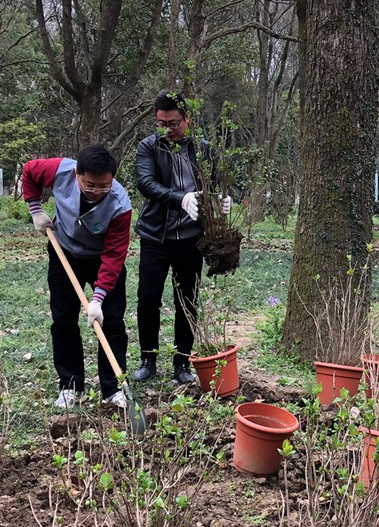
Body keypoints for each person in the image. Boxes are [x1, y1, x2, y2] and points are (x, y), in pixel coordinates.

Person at [22, 145, 133, 409]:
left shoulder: (120, 205)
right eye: (90, 185)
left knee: (112, 323)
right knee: (63, 319)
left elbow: (114, 254)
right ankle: (70, 386)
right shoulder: (60, 170)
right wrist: (35, 209)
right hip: (64, 251)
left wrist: (98, 298)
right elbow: (29, 171)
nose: (96, 192)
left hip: (100, 259)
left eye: (104, 186)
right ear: (77, 175)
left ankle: (113, 388)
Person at [131, 90, 228, 385]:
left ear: (188, 118)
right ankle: (148, 358)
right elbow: (145, 183)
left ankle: (182, 361)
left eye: (173, 123)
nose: (167, 130)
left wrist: (224, 200)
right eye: (161, 123)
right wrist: (179, 198)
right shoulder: (149, 147)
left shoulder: (204, 149)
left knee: (187, 298)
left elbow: (217, 181)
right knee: (148, 298)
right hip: (155, 235)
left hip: (191, 238)